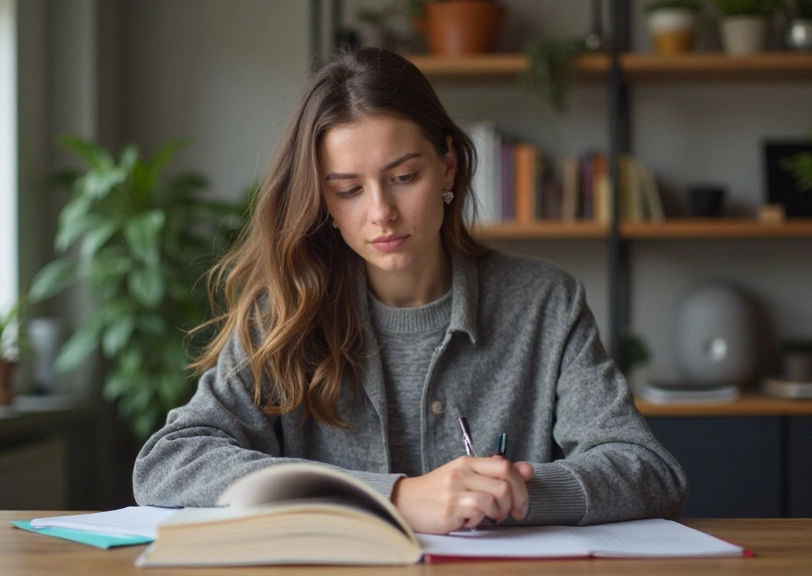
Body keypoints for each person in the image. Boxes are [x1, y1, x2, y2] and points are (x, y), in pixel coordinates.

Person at [133, 47, 687, 535]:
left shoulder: (546, 301)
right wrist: (395, 496)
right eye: (348, 190)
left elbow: (647, 469)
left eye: (403, 178)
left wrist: (505, 495)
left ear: (447, 164)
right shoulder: (282, 314)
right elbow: (170, 461)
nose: (381, 213)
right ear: (323, 202)